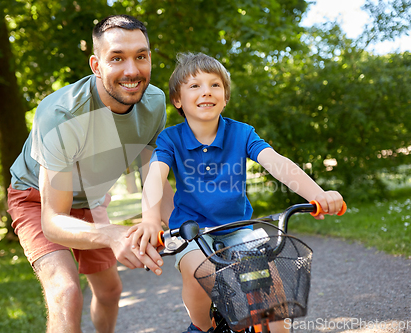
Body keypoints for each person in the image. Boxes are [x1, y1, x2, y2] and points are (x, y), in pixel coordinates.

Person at [128, 52, 344, 333]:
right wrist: (149, 219)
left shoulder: (241, 133)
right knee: (198, 272)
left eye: (215, 85)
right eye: (195, 86)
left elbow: (277, 163)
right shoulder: (171, 138)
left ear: (225, 97)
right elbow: (156, 176)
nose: (206, 91)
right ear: (177, 100)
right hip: (193, 231)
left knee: (272, 285)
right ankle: (202, 326)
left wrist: (318, 194)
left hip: (239, 227)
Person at [7, 15, 174, 333]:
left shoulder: (154, 103)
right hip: (37, 199)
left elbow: (154, 178)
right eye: (117, 58)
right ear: (96, 65)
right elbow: (53, 221)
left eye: (141, 56)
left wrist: (196, 224)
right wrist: (112, 235)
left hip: (90, 197)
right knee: (66, 292)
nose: (131, 70)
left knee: (110, 292)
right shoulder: (61, 114)